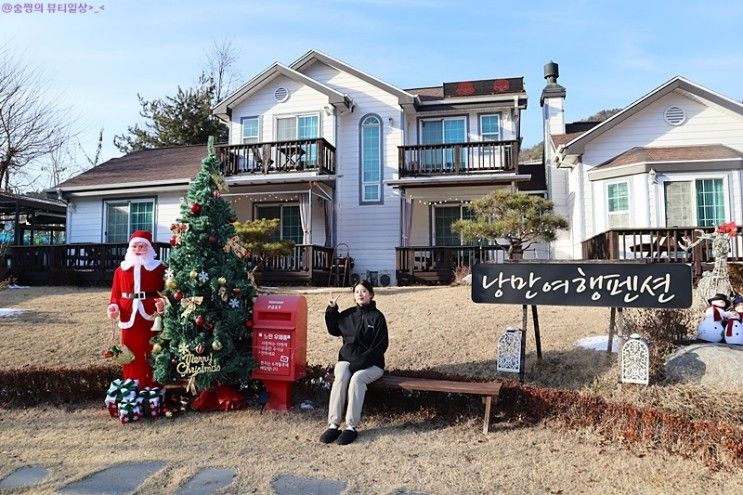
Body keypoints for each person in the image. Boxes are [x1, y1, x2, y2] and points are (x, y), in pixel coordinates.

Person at [320, 280, 389, 445]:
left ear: (371, 294)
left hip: (372, 365)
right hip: (348, 361)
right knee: (342, 375)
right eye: (357, 291)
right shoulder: (348, 314)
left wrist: (359, 363)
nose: (360, 294)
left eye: (364, 291)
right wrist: (331, 310)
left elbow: (381, 346)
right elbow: (334, 329)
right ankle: (333, 424)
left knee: (357, 379)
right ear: (354, 295)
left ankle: (351, 427)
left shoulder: (377, 317)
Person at [107, 230, 166, 387]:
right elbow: (115, 294)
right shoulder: (120, 270)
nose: (138, 250)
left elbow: (168, 290)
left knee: (152, 348)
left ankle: (152, 384)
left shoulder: (159, 268)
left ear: (149, 248)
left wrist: (163, 302)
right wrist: (113, 307)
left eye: (142, 246)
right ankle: (131, 383)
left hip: (150, 314)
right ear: (129, 248)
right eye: (135, 246)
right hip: (128, 314)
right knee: (130, 350)